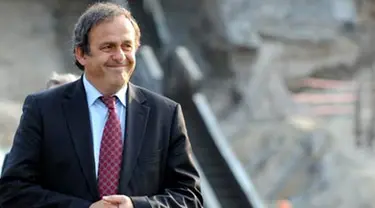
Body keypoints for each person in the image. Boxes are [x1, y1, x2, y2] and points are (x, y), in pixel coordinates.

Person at [0, 2, 202, 208]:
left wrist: (137, 206)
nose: (120, 56)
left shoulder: (165, 114)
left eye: (127, 46)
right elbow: (12, 192)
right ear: (81, 54)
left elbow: (190, 197)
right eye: (108, 47)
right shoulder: (43, 109)